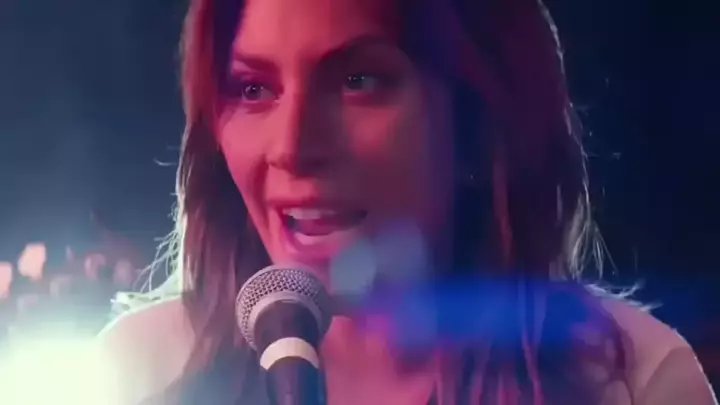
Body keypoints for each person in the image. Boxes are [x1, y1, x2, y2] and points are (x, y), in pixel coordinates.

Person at [99, 0, 716, 404]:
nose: (291, 148)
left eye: (358, 81)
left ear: (478, 120)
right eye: (254, 88)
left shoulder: (636, 380)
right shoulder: (141, 375)